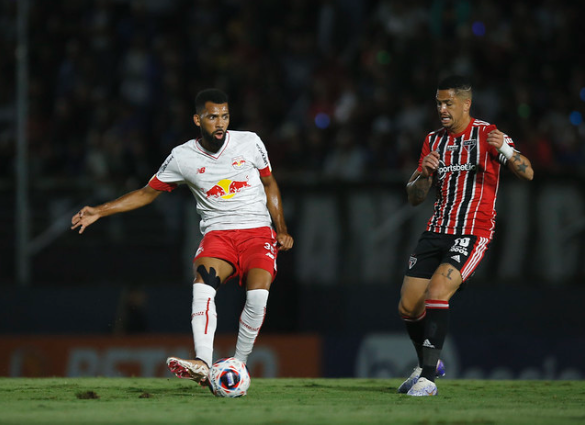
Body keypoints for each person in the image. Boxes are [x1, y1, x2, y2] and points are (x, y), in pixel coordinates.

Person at [71, 88, 294, 387]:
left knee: (257, 297)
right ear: (197, 119)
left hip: (257, 232)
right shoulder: (182, 157)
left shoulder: (250, 142)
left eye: (225, 116)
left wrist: (280, 227)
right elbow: (147, 193)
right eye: (213, 117)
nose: (220, 123)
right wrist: (100, 210)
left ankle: (238, 365)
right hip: (218, 234)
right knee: (202, 286)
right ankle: (203, 362)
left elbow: (269, 183)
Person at [397, 75, 533, 396]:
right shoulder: (433, 140)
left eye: (449, 103)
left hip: (472, 231)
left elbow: (527, 172)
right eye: (439, 104)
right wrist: (423, 176)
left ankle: (428, 379)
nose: (442, 109)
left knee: (438, 290)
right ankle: (426, 364)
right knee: (408, 307)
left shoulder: (487, 134)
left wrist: (507, 151)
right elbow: (414, 196)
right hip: (436, 229)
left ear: (466, 104)